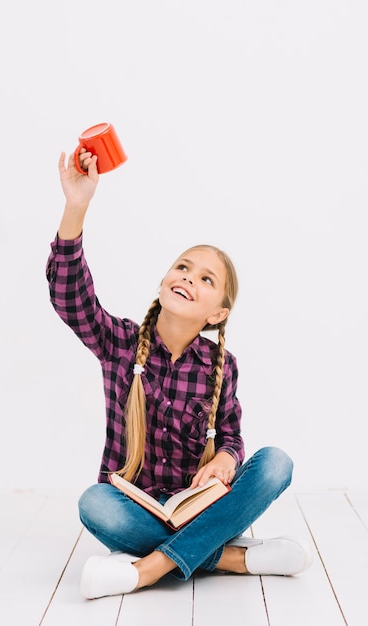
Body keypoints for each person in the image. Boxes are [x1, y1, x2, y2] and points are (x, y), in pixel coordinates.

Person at [46, 149, 313, 600]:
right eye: (184, 267)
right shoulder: (119, 343)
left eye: (207, 279)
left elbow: (231, 437)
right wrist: (77, 205)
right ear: (165, 278)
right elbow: (70, 297)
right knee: (95, 504)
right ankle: (233, 558)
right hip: (140, 511)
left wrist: (227, 458)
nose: (189, 277)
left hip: (203, 509)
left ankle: (148, 569)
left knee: (276, 463)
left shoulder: (220, 366)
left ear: (218, 312)